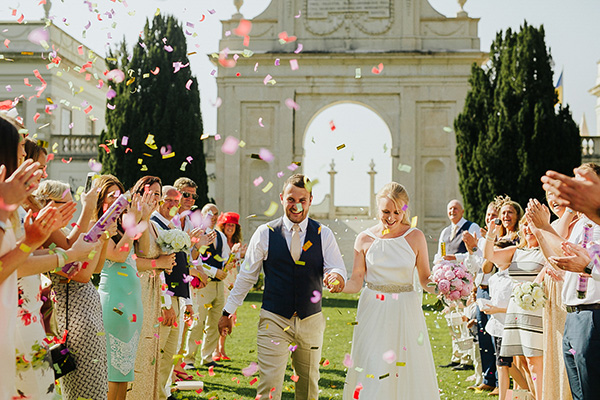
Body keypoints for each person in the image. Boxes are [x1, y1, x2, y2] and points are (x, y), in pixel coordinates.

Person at [218, 174, 347, 400]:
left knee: (308, 388)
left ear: (310, 200)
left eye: (302, 200)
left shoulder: (323, 234)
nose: (296, 205)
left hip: (311, 320)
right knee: (268, 386)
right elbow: (246, 276)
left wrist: (335, 277)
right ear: (281, 198)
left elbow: (337, 267)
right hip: (274, 320)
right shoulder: (265, 233)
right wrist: (228, 311)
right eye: (290, 199)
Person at [341, 182, 440, 399]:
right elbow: (357, 281)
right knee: (373, 365)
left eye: (397, 211)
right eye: (386, 211)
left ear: (405, 210)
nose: (391, 217)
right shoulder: (364, 239)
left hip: (405, 310)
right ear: (378, 208)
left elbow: (425, 278)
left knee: (405, 367)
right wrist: (340, 286)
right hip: (373, 309)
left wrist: (444, 287)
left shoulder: (415, 237)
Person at [97, 174, 155, 400]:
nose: (116, 200)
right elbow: (117, 255)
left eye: (119, 195)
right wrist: (133, 220)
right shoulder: (101, 227)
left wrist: (145, 219)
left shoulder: (122, 227)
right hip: (114, 303)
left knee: (124, 373)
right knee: (113, 371)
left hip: (133, 304)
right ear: (101, 200)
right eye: (111, 196)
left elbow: (144, 251)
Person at [149, 185, 210, 399]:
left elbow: (182, 266)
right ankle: (155, 393)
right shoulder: (153, 225)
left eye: (176, 201)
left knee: (170, 352)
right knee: (159, 351)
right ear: (158, 200)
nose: (173, 205)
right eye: (169, 200)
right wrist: (167, 304)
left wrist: (186, 299)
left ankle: (163, 393)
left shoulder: (170, 226)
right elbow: (162, 269)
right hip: (164, 297)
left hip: (177, 297)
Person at [483, 216, 545, 400]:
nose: (527, 229)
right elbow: (489, 256)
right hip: (517, 313)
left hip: (537, 313)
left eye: (532, 225)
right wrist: (491, 235)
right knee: (524, 363)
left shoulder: (544, 251)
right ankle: (534, 395)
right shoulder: (517, 251)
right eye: (525, 225)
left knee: (534, 362)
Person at [435, 199, 480, 370]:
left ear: (462, 211)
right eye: (450, 208)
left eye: (455, 208)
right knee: (452, 318)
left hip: (465, 280)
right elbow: (440, 254)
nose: (452, 211)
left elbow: (476, 252)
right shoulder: (445, 232)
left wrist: (457, 259)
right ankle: (456, 356)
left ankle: (467, 359)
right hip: (448, 281)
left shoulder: (472, 227)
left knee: (464, 318)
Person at [184, 203, 230, 368]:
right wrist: (214, 272)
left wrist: (228, 265)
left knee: (215, 322)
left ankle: (208, 357)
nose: (213, 216)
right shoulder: (197, 235)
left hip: (219, 286)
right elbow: (195, 261)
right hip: (203, 284)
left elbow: (225, 257)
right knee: (198, 322)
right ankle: (189, 359)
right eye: (209, 213)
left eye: (216, 214)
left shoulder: (221, 236)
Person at [463, 201, 500, 393]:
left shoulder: (497, 240)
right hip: (481, 290)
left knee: (495, 337)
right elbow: (474, 267)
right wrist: (471, 249)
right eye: (488, 214)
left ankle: (500, 383)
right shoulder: (483, 240)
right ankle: (488, 378)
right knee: (483, 335)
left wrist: (476, 247)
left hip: (494, 291)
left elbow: (489, 265)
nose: (489, 218)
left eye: (494, 215)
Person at [213, 211, 246, 361]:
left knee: (230, 313)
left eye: (233, 225)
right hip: (222, 279)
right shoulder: (218, 242)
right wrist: (234, 255)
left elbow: (237, 265)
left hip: (233, 280)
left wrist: (242, 256)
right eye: (228, 225)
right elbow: (222, 264)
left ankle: (222, 348)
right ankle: (214, 349)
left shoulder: (237, 243)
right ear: (223, 226)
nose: (230, 228)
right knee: (219, 313)